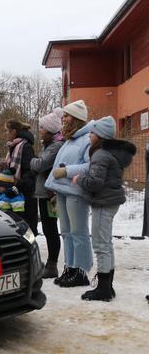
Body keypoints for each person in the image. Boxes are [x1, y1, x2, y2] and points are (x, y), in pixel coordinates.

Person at [75, 116, 136, 301]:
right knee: (107, 244)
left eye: (92, 132)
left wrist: (79, 179)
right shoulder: (113, 153)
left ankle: (103, 290)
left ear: (100, 135)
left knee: (101, 245)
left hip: (103, 202)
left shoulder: (101, 154)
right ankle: (107, 285)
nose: (89, 135)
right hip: (110, 201)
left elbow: (95, 182)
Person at [45, 99, 93, 288]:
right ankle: (70, 267)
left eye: (66, 116)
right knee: (66, 232)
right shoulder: (69, 140)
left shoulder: (87, 139)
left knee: (78, 232)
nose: (62, 118)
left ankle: (81, 271)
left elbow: (90, 165)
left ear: (75, 118)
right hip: (63, 191)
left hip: (76, 192)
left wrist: (67, 171)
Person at [30, 108, 65, 278]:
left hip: (49, 194)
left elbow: (40, 165)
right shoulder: (50, 145)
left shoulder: (55, 146)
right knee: (48, 227)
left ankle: (52, 265)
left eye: (42, 128)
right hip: (46, 193)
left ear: (50, 130)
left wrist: (31, 159)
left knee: (50, 228)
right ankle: (52, 265)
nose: (40, 131)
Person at [3, 119, 38, 236]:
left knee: (26, 231)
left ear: (13, 131)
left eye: (7, 131)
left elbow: (30, 172)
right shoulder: (14, 147)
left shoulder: (25, 147)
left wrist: (17, 187)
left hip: (25, 196)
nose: (5, 134)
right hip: (15, 195)